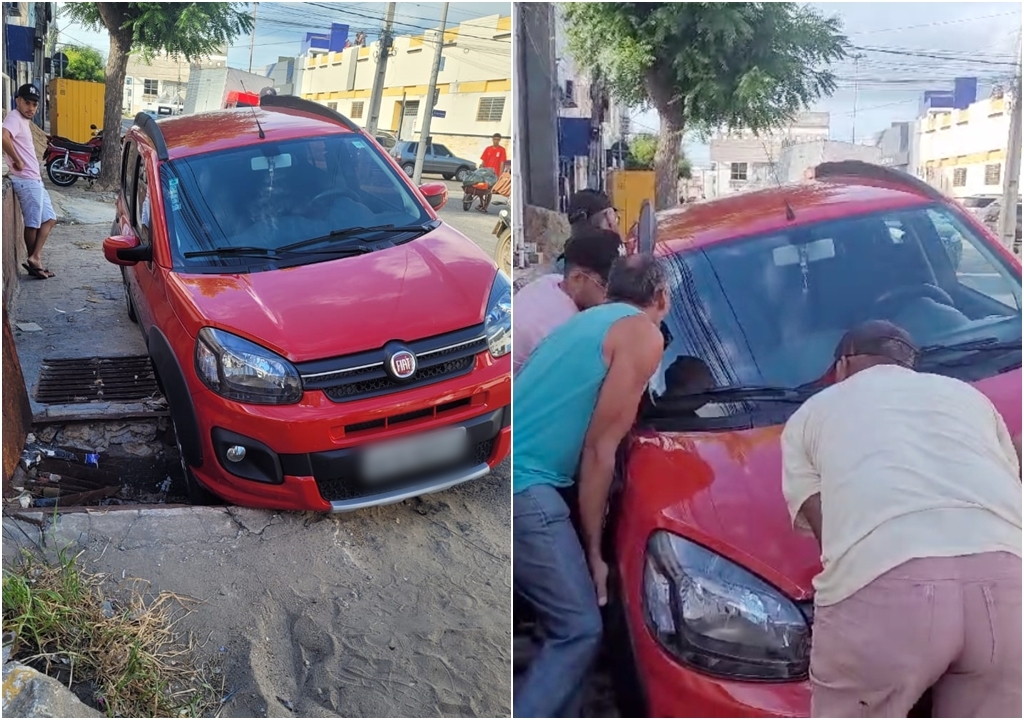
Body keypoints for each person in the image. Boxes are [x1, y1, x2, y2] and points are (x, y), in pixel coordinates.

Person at [781, 320, 1022, 718]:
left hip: (889, 591)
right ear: (910, 364)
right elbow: (1007, 482)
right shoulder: (969, 397)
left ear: (842, 368)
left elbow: (831, 535)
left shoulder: (813, 413)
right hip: (1010, 587)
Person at [512, 255, 670, 718]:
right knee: (578, 628)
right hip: (529, 488)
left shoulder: (587, 323)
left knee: (566, 627)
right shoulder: (643, 333)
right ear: (660, 298)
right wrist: (595, 554)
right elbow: (601, 450)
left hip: (516, 476)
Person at [512, 227, 623, 375]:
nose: (614, 295)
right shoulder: (561, 330)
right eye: (606, 285)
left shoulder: (552, 282)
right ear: (577, 278)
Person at [2, 84, 57, 279]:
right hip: (26, 180)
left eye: (34, 104)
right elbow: (3, 137)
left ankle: (35, 258)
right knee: (33, 223)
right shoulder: (14, 118)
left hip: (34, 179)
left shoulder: (22, 120)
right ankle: (35, 262)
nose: (31, 108)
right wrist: (17, 160)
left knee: (50, 218)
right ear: (17, 100)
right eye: (27, 102)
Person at [478, 133, 507, 213]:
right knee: (480, 189)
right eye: (495, 139)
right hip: (485, 172)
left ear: (500, 140)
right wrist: (480, 169)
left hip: (494, 174)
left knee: (489, 191)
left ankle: (485, 206)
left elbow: (502, 163)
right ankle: (481, 204)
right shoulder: (488, 149)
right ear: (492, 139)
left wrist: (500, 175)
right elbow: (483, 160)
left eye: (498, 139)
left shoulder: (502, 150)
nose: (496, 141)